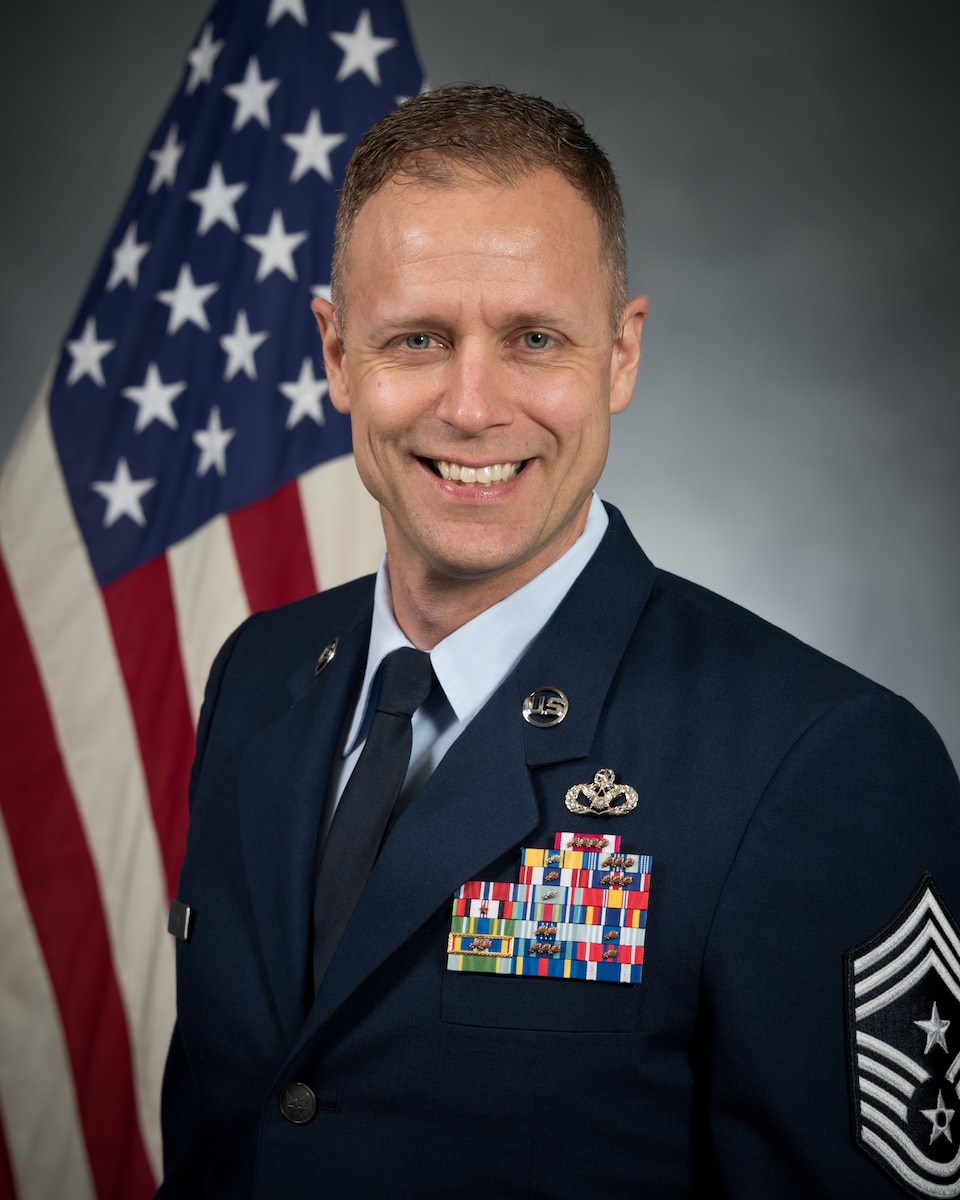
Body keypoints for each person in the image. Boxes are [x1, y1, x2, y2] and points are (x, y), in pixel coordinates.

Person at [158, 84, 960, 1199]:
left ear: (621, 355)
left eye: (534, 338)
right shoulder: (260, 679)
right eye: (416, 339)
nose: (474, 406)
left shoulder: (821, 759)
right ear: (337, 355)